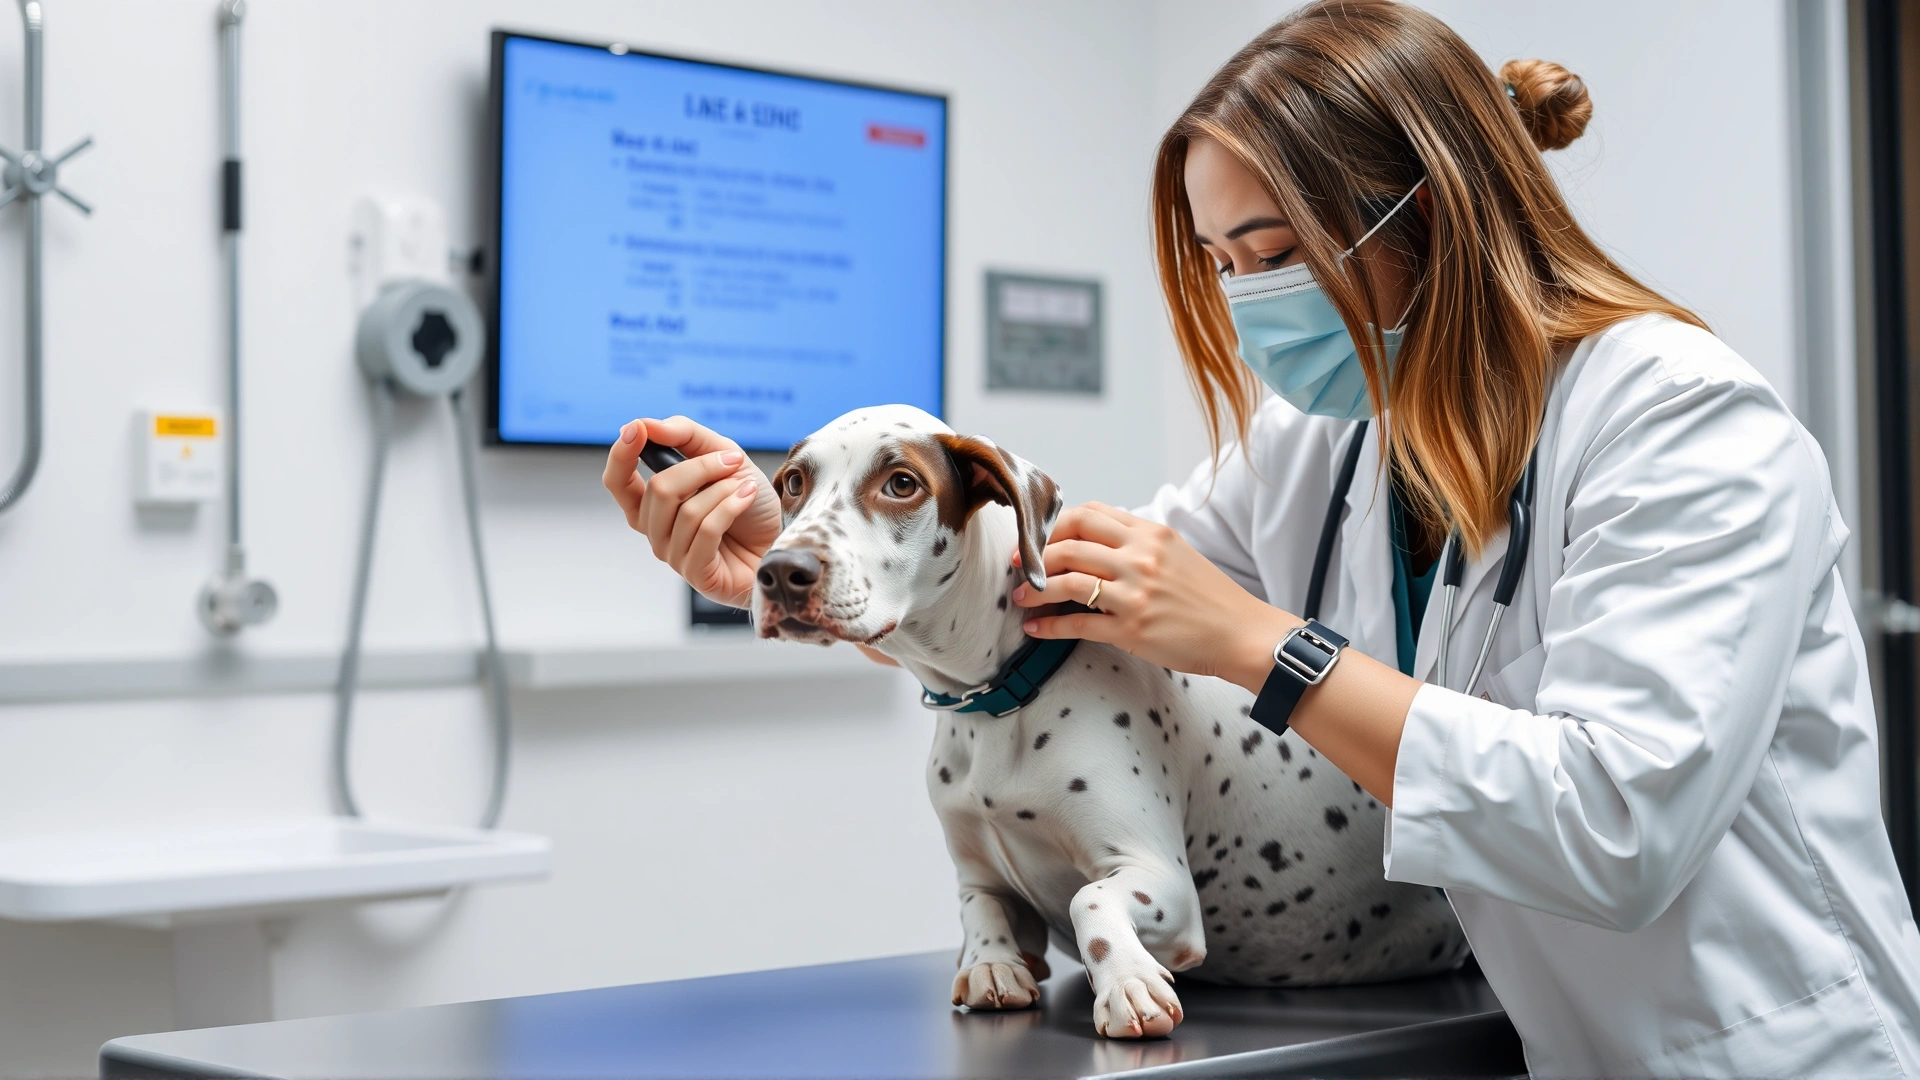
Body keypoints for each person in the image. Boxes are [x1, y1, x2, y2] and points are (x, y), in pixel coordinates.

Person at [607, 1, 1920, 1073]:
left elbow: (1621, 830)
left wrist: (1259, 646)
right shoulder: (1318, 448)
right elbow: (1040, 626)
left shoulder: (1685, 424)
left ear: (1438, 208)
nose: (1243, 300)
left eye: (1274, 248)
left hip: (1769, 1049)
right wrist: (811, 572)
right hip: (1540, 1041)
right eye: (1218, 260)